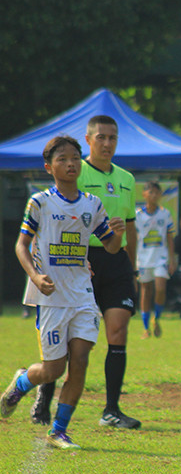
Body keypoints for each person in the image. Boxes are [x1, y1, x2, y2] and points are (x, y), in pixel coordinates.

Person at [1, 136, 125, 449]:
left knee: (80, 360)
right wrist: (35, 275)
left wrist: (116, 237)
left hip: (82, 295)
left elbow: (109, 245)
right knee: (53, 369)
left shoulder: (92, 204)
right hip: (51, 298)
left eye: (75, 158)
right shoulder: (40, 202)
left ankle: (59, 430)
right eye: (62, 159)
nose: (70, 164)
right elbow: (21, 245)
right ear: (49, 167)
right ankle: (21, 383)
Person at [31, 115, 142, 429]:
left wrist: (131, 266)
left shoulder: (127, 179)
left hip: (115, 258)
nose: (107, 143)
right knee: (68, 339)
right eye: (102, 137)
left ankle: (111, 410)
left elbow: (129, 228)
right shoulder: (75, 171)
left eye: (113, 138)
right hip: (79, 261)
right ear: (89, 139)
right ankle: (45, 394)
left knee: (118, 331)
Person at [135, 181, 177, 337]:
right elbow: (133, 237)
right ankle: (146, 328)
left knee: (160, 289)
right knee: (145, 292)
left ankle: (156, 318)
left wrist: (172, 259)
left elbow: (169, 236)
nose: (154, 196)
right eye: (150, 192)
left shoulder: (165, 214)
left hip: (160, 258)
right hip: (144, 258)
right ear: (144, 194)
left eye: (157, 193)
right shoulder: (138, 214)